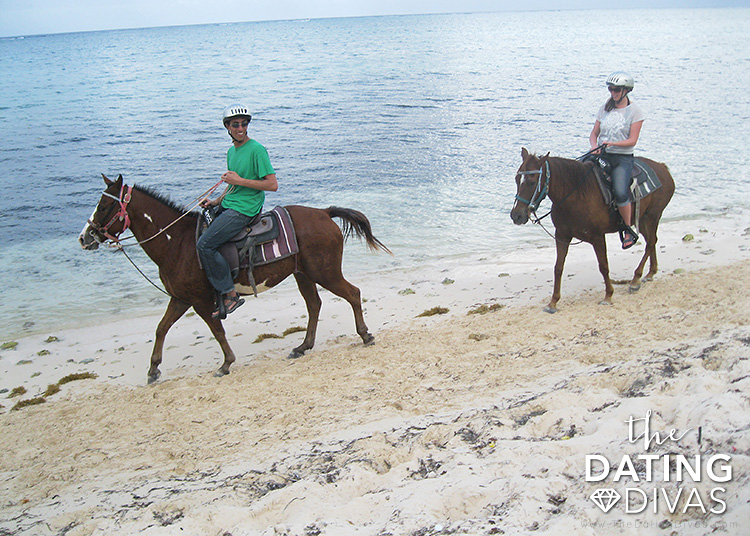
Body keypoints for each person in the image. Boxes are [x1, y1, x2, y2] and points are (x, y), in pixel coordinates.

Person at [197, 103, 278, 319]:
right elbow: (234, 186)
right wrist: (216, 201)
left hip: (245, 209)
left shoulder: (257, 150)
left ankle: (230, 294)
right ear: (227, 127)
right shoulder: (231, 152)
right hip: (230, 202)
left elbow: (272, 185)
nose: (240, 128)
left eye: (244, 124)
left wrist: (239, 180)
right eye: (235, 124)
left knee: (204, 244)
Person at [589, 71, 644, 249]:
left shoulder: (635, 111)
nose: (612, 93)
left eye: (616, 90)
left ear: (626, 90)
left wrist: (612, 143)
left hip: (622, 158)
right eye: (610, 89)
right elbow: (594, 134)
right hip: (602, 154)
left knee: (620, 191)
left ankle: (627, 229)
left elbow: (632, 140)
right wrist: (593, 146)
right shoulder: (604, 108)